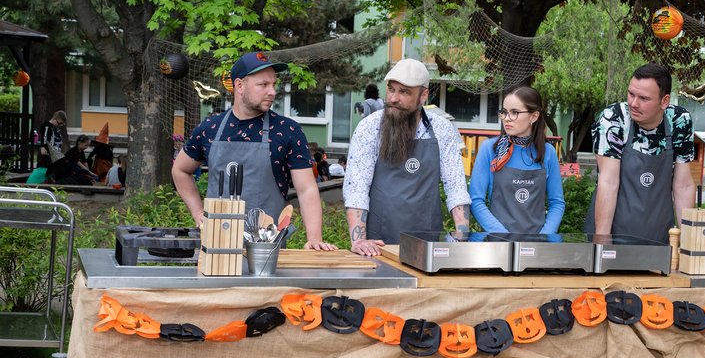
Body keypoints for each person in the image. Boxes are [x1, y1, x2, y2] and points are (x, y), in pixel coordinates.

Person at [172, 51, 335, 251]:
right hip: (215, 247)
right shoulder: (210, 128)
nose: (273, 92)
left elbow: (306, 188)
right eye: (263, 85)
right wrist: (199, 214)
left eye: (273, 84)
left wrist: (315, 238)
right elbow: (180, 170)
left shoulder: (287, 130)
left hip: (266, 251)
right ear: (239, 86)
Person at [343, 58, 470, 255]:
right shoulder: (369, 127)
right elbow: (356, 188)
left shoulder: (443, 130)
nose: (393, 98)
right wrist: (358, 240)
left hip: (426, 245)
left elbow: (455, 187)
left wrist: (461, 235)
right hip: (377, 246)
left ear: (423, 95)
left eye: (404, 92)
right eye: (391, 89)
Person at [584, 62, 696, 243]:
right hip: (614, 233)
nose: (633, 104)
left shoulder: (679, 121)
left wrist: (688, 242)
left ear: (664, 101)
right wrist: (603, 240)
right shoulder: (613, 118)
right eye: (631, 94)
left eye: (643, 98)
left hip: (660, 236)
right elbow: (608, 181)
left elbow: (683, 186)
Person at [469, 86, 565, 234]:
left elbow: (557, 203)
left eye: (515, 113)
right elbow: (476, 200)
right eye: (504, 112)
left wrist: (544, 237)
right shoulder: (490, 149)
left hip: (535, 246)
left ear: (534, 116)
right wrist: (503, 237)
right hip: (498, 244)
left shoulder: (548, 153)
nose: (507, 118)